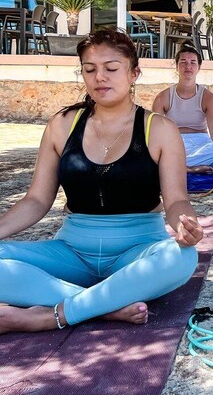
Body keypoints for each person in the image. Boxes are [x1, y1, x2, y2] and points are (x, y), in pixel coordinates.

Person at [0, 30, 201, 334]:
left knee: (183, 258)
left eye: (111, 68)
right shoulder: (62, 125)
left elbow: (175, 200)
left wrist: (185, 225)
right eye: (90, 69)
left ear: (134, 73)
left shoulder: (158, 129)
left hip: (136, 252)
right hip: (72, 252)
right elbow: (37, 200)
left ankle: (53, 314)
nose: (99, 78)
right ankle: (105, 307)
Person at [152, 44, 213, 174]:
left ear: (199, 67)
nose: (188, 66)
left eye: (193, 62)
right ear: (176, 66)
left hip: (201, 143)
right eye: (183, 62)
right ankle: (186, 167)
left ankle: (176, 166)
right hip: (174, 142)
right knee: (146, 150)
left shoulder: (208, 97)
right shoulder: (163, 97)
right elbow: (156, 133)